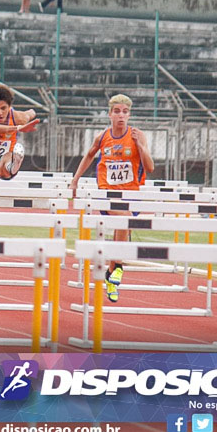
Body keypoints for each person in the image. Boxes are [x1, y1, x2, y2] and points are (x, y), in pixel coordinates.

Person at [69, 94, 155, 303]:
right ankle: (118, 270)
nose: (121, 116)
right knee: (123, 220)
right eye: (117, 111)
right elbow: (89, 155)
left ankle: (112, 272)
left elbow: (150, 167)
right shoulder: (102, 137)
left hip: (132, 193)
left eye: (125, 112)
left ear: (129, 114)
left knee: (124, 226)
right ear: (109, 114)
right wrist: (75, 180)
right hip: (107, 192)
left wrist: (140, 147)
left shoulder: (138, 135)